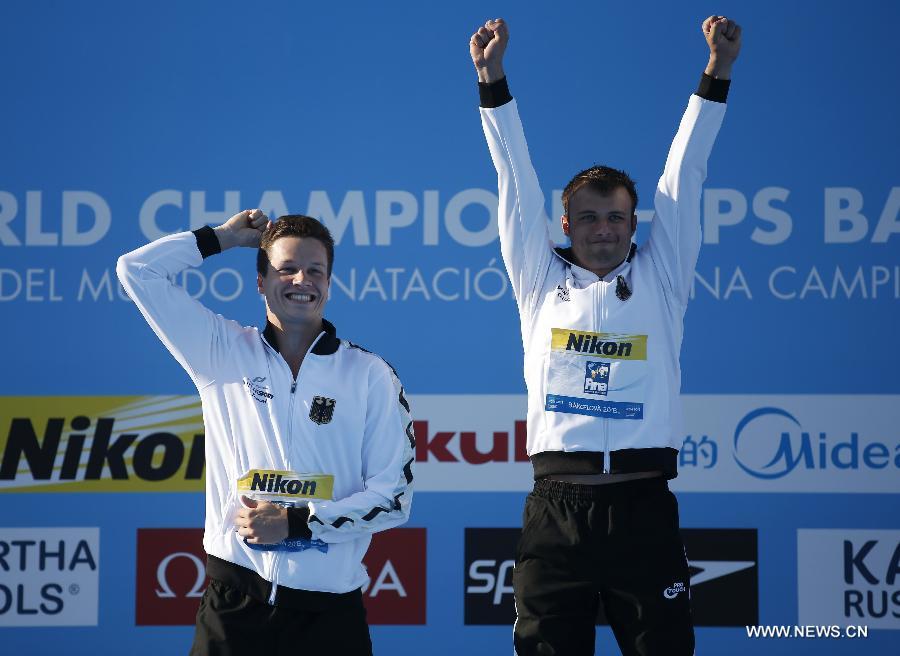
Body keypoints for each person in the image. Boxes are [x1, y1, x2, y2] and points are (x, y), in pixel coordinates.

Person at [470, 15, 741, 656]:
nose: (602, 230)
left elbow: (686, 173)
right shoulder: (538, 279)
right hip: (555, 512)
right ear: (564, 222)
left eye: (616, 217)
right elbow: (514, 176)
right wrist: (491, 81)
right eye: (588, 217)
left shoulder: (662, 276)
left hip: (644, 510)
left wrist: (717, 73)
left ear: (633, 222)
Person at [117, 211, 414, 655]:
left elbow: (393, 499)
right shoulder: (219, 351)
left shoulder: (370, 375)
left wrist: (299, 523)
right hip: (235, 611)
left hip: (329, 618)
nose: (302, 280)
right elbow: (136, 271)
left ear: (329, 283)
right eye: (286, 268)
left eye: (315, 271)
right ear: (261, 281)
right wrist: (222, 238)